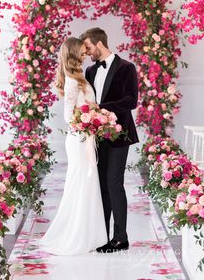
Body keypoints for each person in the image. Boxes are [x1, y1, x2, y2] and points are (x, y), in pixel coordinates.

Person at [39, 37, 107, 255]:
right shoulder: (71, 81)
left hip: (85, 137)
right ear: (73, 54)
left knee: (88, 184)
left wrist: (95, 112)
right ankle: (77, 236)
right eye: (82, 50)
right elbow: (69, 116)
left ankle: (91, 235)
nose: (86, 53)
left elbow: (84, 107)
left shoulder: (79, 77)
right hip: (79, 139)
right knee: (81, 184)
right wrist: (90, 120)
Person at [80, 27, 139, 253]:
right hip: (97, 136)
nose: (87, 52)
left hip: (120, 134)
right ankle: (102, 235)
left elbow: (131, 100)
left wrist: (102, 108)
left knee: (115, 184)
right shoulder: (90, 71)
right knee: (102, 186)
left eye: (88, 47)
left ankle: (121, 238)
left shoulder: (127, 68)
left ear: (99, 44)